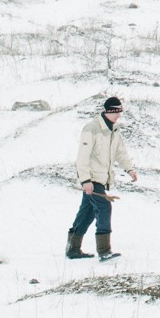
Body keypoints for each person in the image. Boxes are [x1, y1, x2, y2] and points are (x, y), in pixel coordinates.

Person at [67, 95, 138, 262]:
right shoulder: (91, 129)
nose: (118, 115)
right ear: (108, 111)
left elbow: (120, 151)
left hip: (101, 179)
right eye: (116, 112)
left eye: (120, 111)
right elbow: (82, 157)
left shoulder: (114, 130)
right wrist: (85, 180)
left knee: (87, 213)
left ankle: (73, 249)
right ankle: (104, 251)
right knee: (104, 207)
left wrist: (129, 169)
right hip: (92, 179)